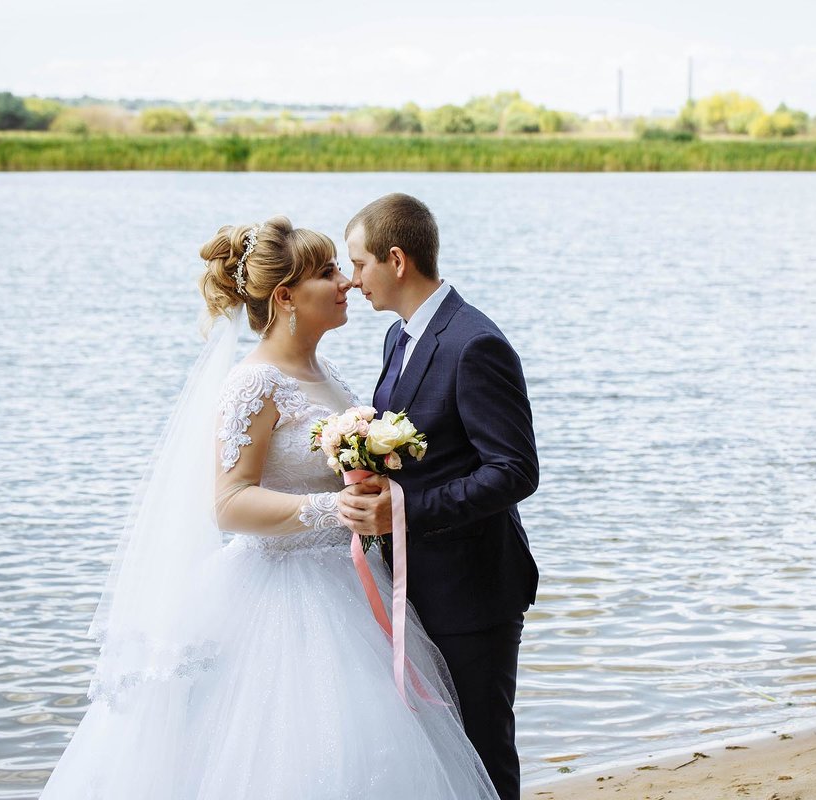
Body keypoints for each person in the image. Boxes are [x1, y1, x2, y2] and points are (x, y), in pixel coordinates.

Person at [40, 216, 499, 799]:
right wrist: (336, 510)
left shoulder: (323, 371)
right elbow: (229, 504)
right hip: (281, 596)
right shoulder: (252, 383)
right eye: (329, 272)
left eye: (343, 268)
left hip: (351, 584)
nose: (346, 284)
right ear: (285, 296)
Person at [338, 193, 539, 800]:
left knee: (482, 754)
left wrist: (404, 509)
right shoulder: (399, 338)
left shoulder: (474, 343)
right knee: (435, 759)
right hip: (411, 583)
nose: (352, 281)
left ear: (396, 260)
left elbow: (514, 471)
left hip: (473, 591)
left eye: (359, 264)